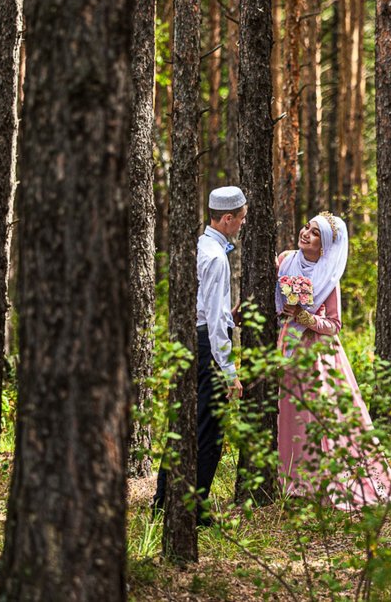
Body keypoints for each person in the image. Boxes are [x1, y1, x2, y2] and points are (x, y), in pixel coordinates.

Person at [275, 212, 391, 510]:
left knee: (320, 417)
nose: (305, 234)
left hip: (319, 357)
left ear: (324, 246)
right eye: (306, 227)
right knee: (291, 414)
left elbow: (335, 325)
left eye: (314, 234)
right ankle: (294, 482)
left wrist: (304, 316)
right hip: (290, 348)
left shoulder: (330, 277)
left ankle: (325, 483)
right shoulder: (286, 260)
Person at [154, 186, 246, 526]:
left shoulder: (199, 246)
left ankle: (164, 501)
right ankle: (193, 509)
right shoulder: (216, 257)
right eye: (240, 219)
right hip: (207, 346)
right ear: (226, 219)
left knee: (184, 423)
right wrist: (230, 370)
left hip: (191, 339)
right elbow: (216, 318)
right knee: (208, 431)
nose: (241, 225)